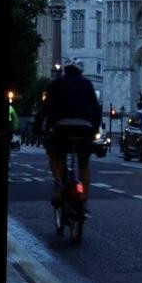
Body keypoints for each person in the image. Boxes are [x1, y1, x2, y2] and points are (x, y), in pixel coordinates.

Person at [34, 58, 102, 204]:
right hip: (85, 128)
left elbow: (45, 108)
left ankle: (58, 180)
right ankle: (83, 203)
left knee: (54, 155)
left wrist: (38, 127)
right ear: (80, 71)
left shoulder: (56, 84)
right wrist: (94, 129)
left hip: (62, 127)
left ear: (65, 70)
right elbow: (97, 109)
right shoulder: (88, 84)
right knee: (84, 165)